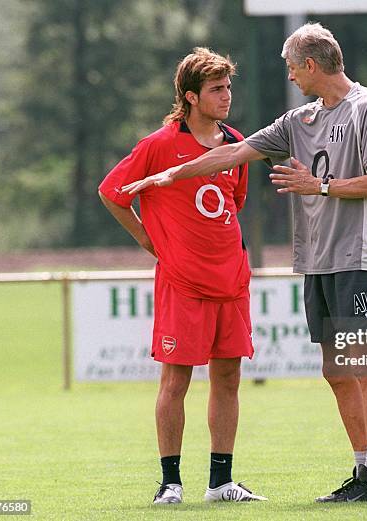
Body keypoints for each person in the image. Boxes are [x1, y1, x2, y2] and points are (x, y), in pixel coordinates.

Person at [122, 23, 367, 503]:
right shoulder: (300, 120)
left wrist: (322, 187)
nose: (290, 76)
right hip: (318, 262)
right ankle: (361, 473)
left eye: (292, 66)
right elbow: (233, 151)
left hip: (361, 259)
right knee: (336, 372)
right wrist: (172, 172)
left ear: (311, 64)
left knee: (366, 365)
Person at [98, 47, 267, 505]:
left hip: (231, 281)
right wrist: (150, 240)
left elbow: (235, 204)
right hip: (183, 283)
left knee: (228, 378)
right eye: (216, 89)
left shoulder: (236, 141)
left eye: (228, 86)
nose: (226, 95)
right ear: (190, 96)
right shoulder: (158, 146)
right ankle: (170, 483)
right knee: (176, 382)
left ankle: (221, 482)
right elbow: (112, 193)